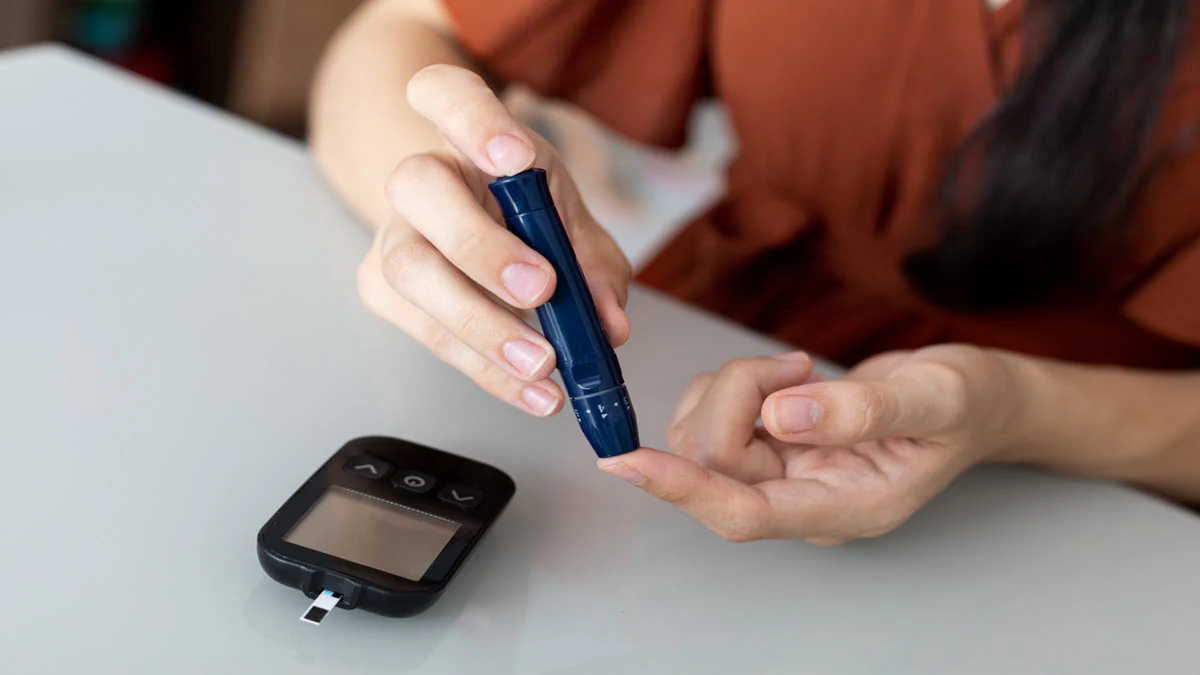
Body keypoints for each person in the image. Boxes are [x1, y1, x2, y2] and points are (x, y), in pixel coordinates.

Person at [308, 0, 1200, 545]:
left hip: (1105, 480)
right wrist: (433, 202)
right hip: (693, 356)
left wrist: (1016, 410)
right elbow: (403, 27)